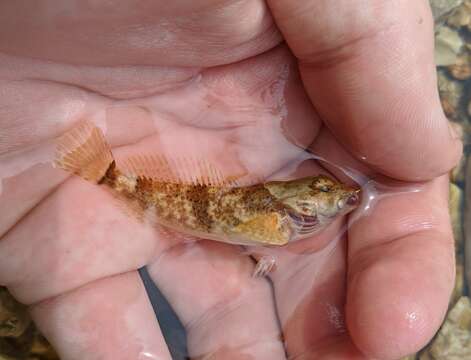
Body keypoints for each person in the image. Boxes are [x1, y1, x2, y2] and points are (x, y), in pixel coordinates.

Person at [0, 1, 462, 359]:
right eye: (326, 193)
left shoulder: (285, 219)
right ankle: (103, 173)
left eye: (331, 195)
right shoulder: (282, 224)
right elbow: (253, 234)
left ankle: (105, 174)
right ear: (301, 206)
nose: (336, 196)